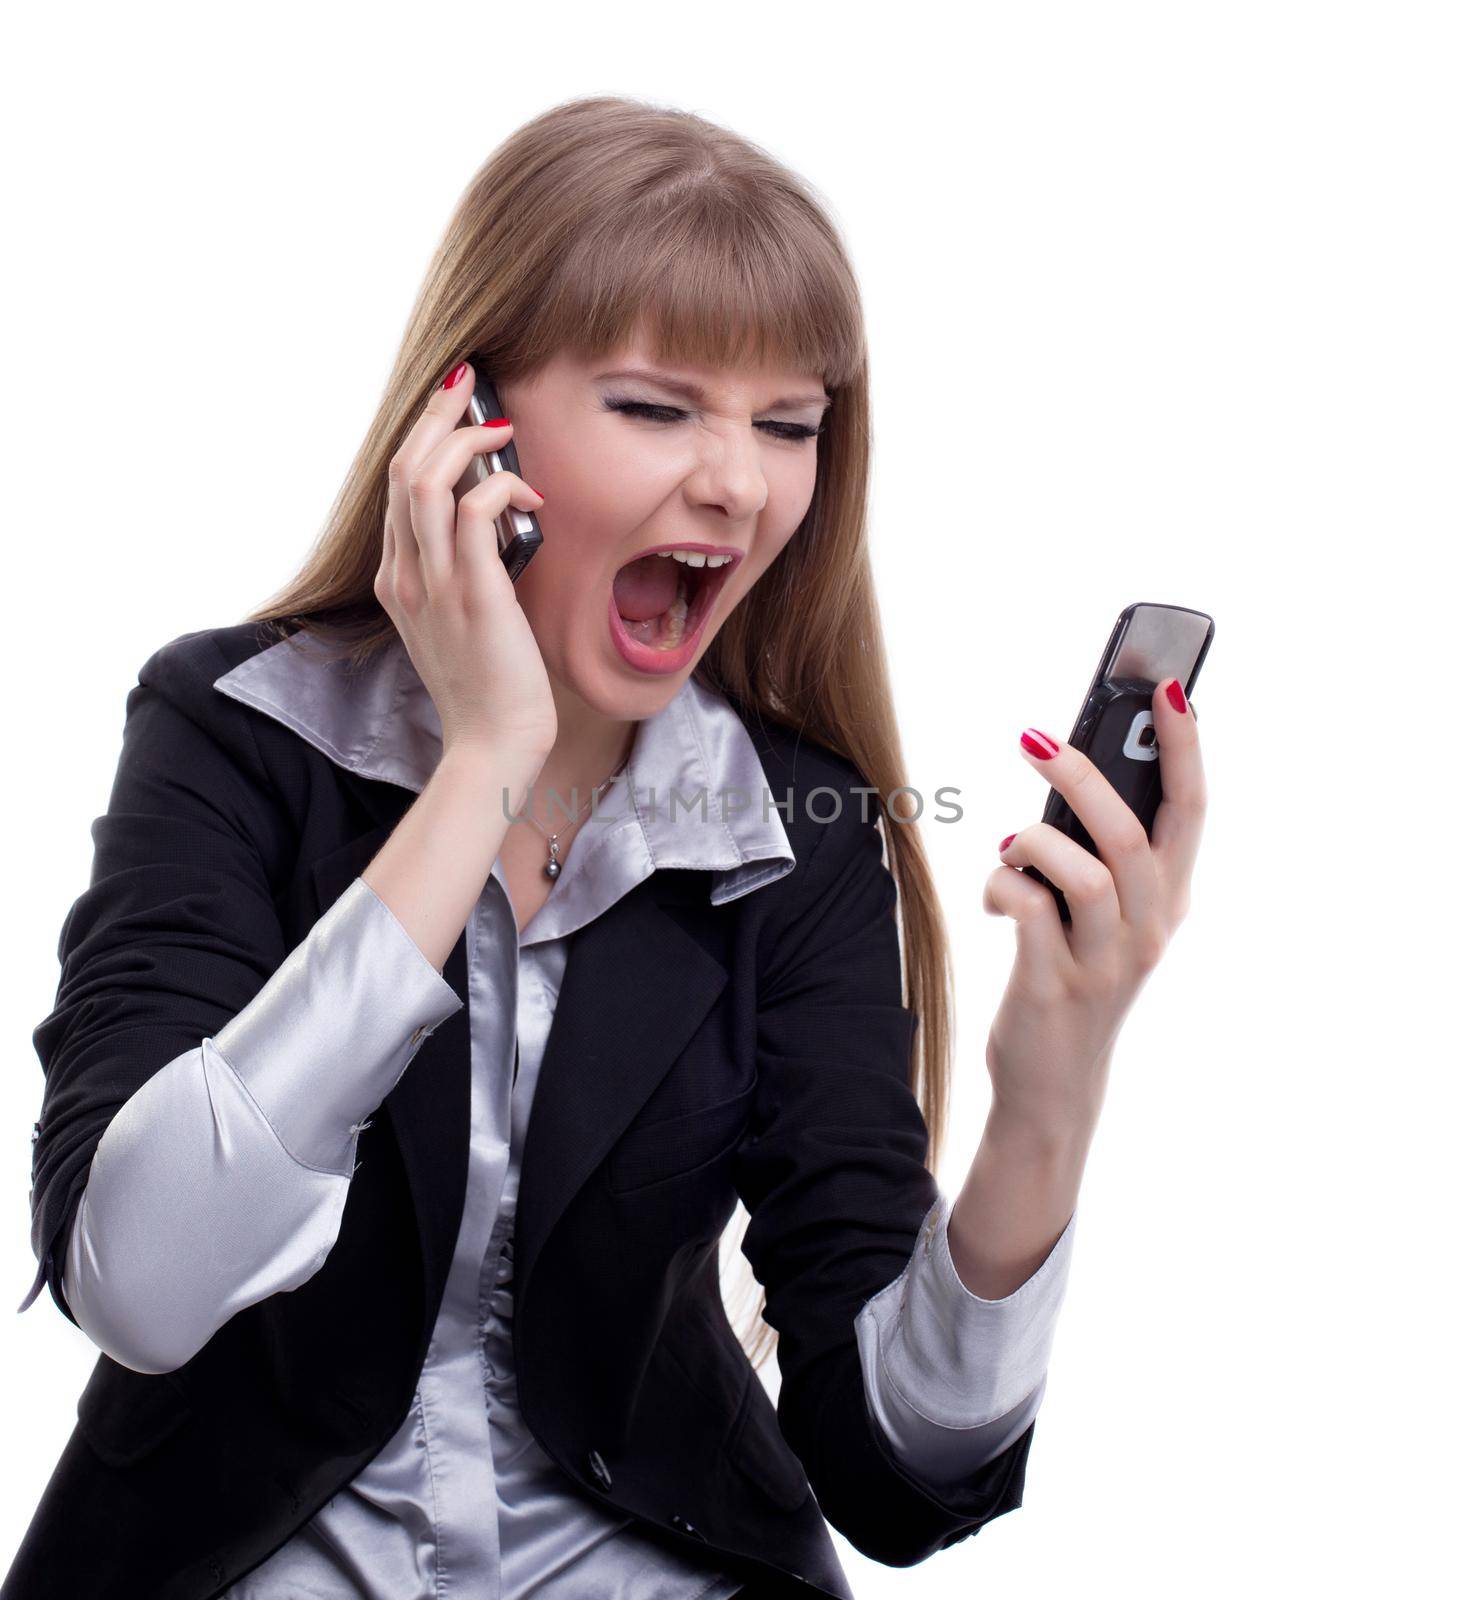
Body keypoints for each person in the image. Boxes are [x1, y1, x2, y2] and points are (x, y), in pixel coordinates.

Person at [7, 95, 1206, 1599]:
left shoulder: (794, 826)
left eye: (790, 424)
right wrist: (482, 768)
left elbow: (897, 1478)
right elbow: (144, 1286)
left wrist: (1053, 1078)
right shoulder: (233, 728)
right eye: (656, 407)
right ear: (468, 421)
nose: (740, 485)